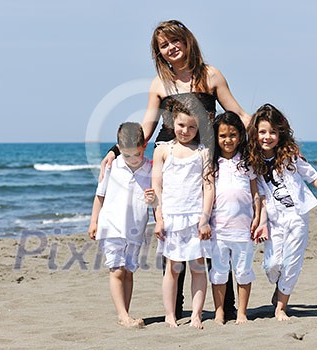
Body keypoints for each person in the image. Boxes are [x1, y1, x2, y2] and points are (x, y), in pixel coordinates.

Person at [100, 19, 250, 319]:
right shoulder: (159, 84)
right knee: (174, 234)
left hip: (205, 158)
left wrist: (272, 136)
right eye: (163, 47)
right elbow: (148, 125)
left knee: (213, 232)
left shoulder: (211, 75)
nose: (171, 49)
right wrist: (118, 149)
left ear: (187, 40)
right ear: (159, 53)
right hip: (169, 161)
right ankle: (178, 309)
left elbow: (237, 113)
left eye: (174, 42)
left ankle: (226, 306)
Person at [247, 103, 317, 321]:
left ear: (281, 133)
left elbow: (312, 176)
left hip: (297, 216)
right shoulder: (253, 161)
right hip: (273, 219)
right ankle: (279, 287)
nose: (267, 137)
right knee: (273, 265)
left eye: (273, 132)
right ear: (255, 133)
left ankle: (280, 307)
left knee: (292, 263)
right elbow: (257, 196)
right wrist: (259, 220)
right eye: (262, 132)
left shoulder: (290, 155)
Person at [152, 96, 213, 329]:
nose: (185, 131)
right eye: (181, 125)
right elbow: (157, 186)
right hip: (171, 217)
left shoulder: (203, 152)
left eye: (191, 127)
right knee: (172, 268)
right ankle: (170, 314)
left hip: (196, 217)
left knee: (198, 267)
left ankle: (196, 314)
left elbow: (209, 187)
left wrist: (205, 218)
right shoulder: (163, 150)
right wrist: (159, 219)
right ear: (172, 123)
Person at [88, 122, 154, 329]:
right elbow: (100, 196)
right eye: (127, 155)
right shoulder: (112, 166)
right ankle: (123, 315)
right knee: (116, 269)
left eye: (136, 154)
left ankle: (125, 312)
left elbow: (155, 201)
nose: (132, 159)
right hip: (111, 225)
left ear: (145, 146)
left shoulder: (150, 168)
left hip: (136, 228)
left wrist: (153, 200)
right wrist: (94, 221)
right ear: (118, 148)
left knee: (128, 271)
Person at [207, 111, 265, 325]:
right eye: (223, 136)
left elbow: (255, 192)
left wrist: (258, 216)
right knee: (219, 273)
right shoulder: (213, 165)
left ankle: (242, 312)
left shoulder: (247, 162)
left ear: (240, 136)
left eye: (232, 135)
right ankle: (219, 311)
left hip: (244, 229)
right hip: (219, 229)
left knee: (243, 271)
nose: (228, 140)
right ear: (216, 137)